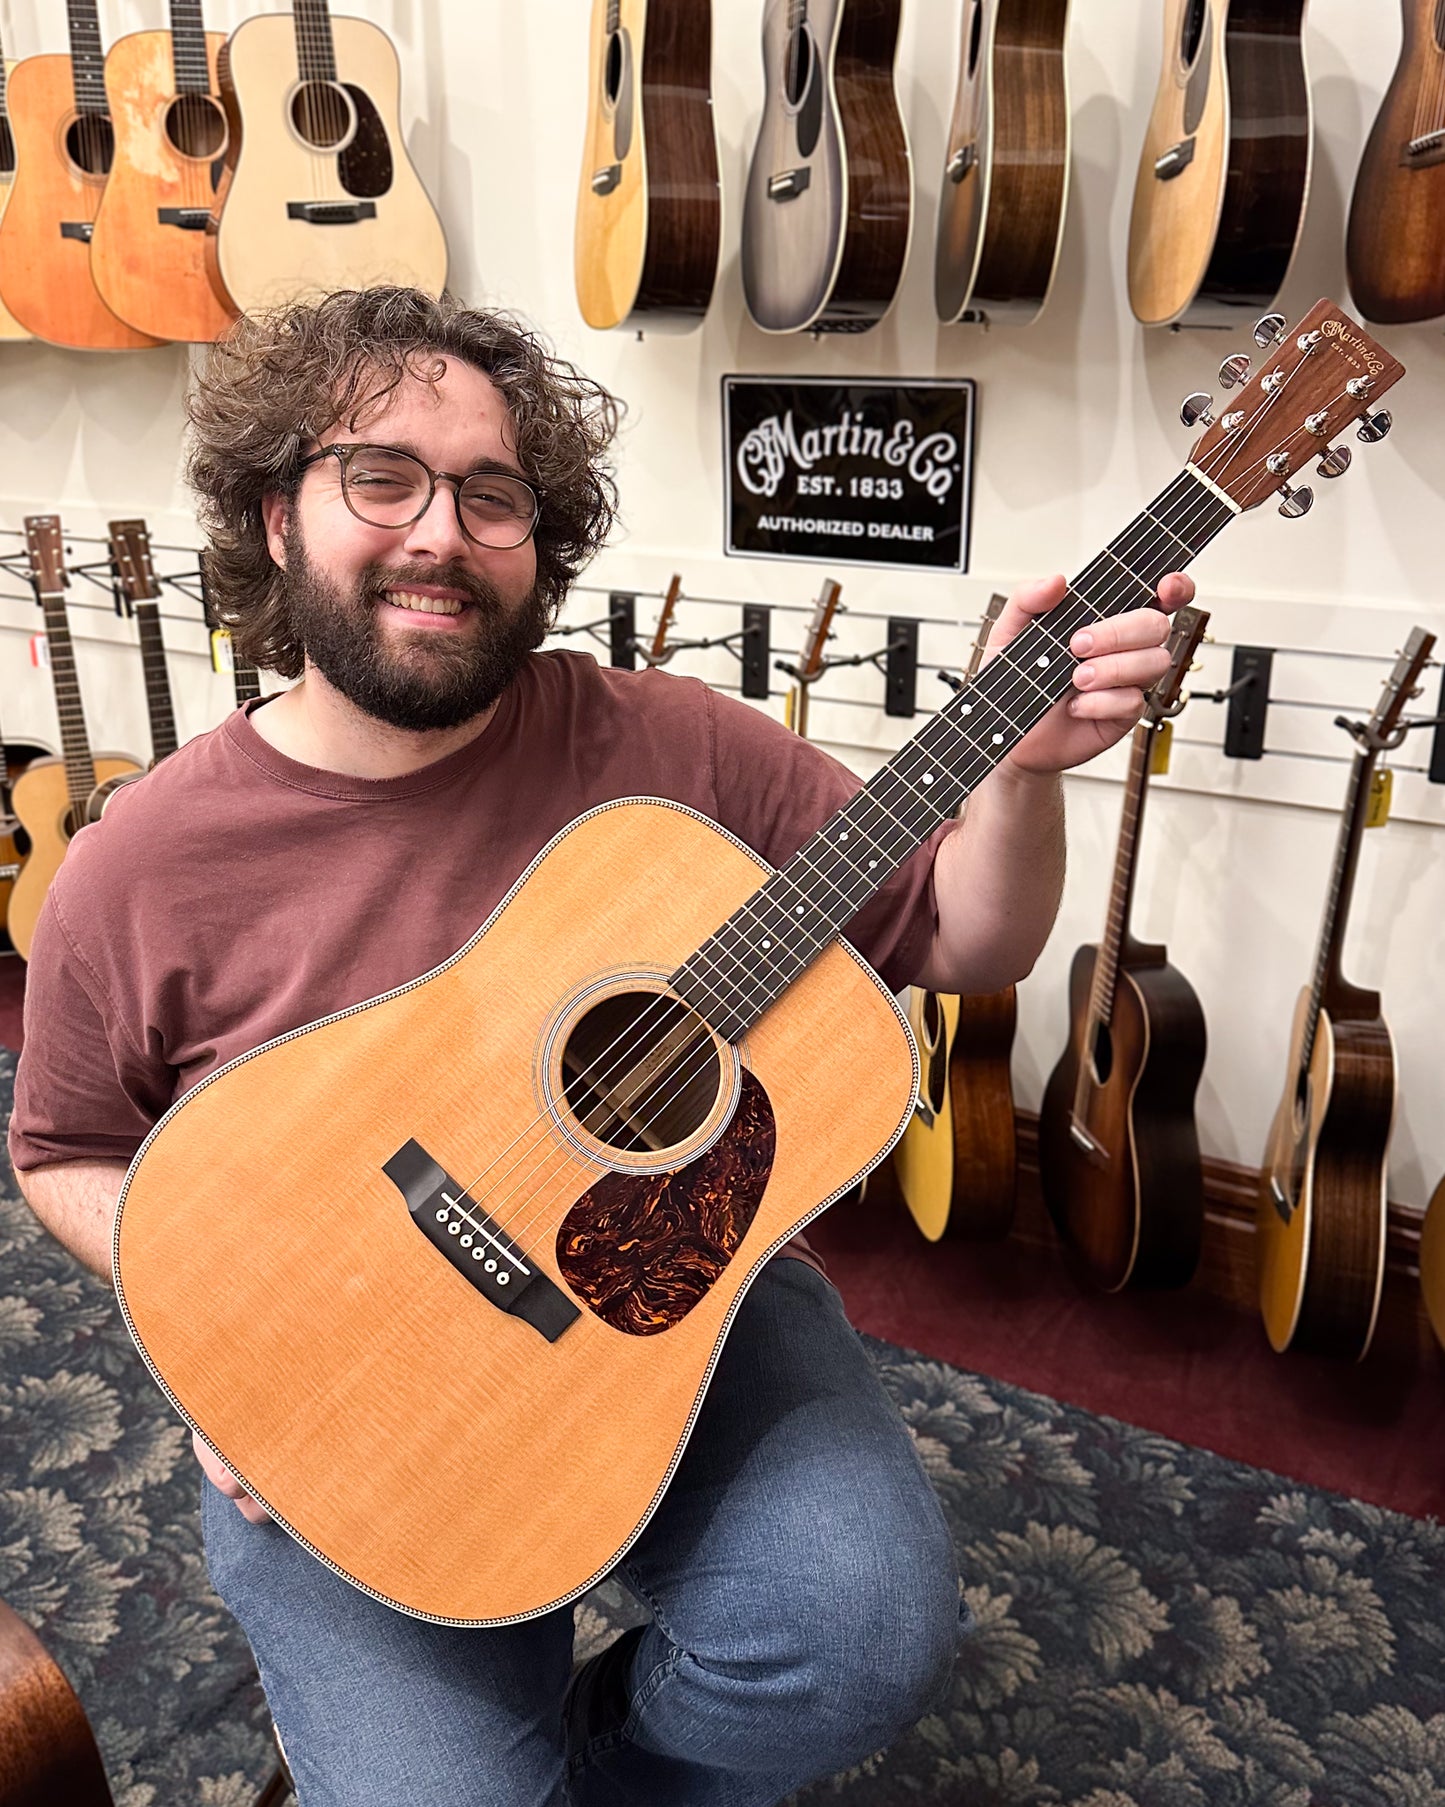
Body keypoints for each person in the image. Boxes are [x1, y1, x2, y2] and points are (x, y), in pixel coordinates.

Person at [8, 287, 1189, 1807]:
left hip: (664, 1294)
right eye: (382, 476)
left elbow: (961, 940)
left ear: (537, 543)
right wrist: (229, 1336)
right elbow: (64, 1149)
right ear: (276, 513)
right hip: (331, 1368)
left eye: (492, 495)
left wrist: (1021, 779)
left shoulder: (674, 749)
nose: (441, 531)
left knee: (858, 1638)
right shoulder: (142, 862)